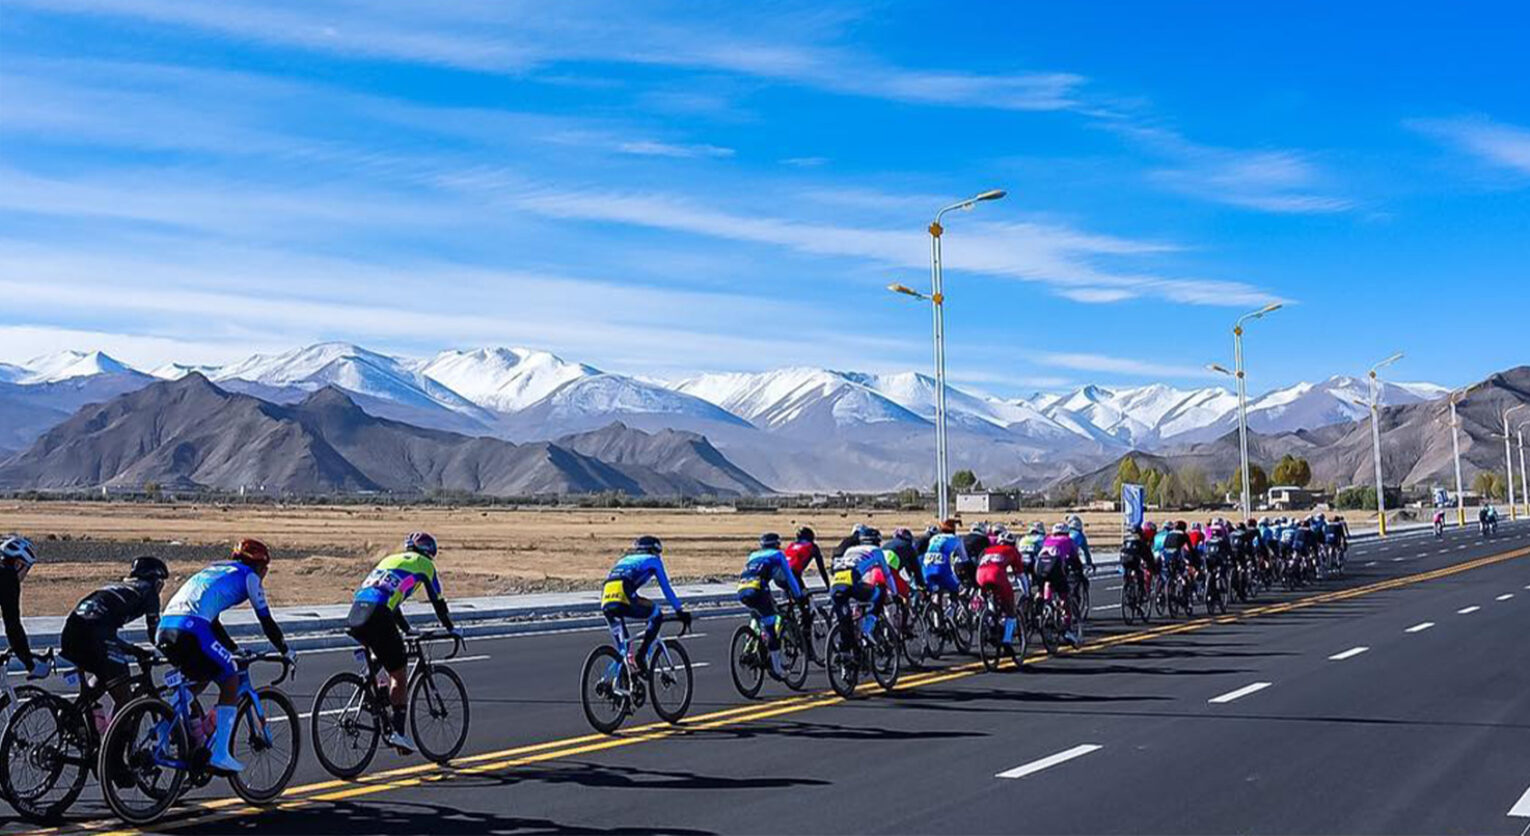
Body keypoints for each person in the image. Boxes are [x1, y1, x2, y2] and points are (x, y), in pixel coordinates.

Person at [157, 539, 291, 773]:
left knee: (202, 676)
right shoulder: (249, 576)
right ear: (261, 566)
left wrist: (232, 648)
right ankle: (220, 754)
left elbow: (213, 621)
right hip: (192, 628)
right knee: (230, 677)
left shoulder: (216, 569)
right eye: (266, 568)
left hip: (166, 627)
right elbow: (266, 620)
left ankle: (166, 721)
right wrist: (285, 650)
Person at [347, 532, 458, 753]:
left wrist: (407, 629)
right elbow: (437, 600)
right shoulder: (425, 565)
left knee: (381, 655)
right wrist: (451, 628)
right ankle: (397, 733)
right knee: (398, 673)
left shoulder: (390, 560)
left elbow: (392, 602)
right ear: (429, 552)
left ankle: (372, 692)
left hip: (356, 613)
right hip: (378, 614)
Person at [60, 556, 167, 734]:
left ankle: (75, 714)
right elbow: (154, 632)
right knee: (124, 696)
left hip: (72, 632)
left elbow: (104, 629)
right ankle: (113, 746)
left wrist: (132, 649)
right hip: (95, 633)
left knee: (106, 674)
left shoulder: (121, 587)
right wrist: (171, 653)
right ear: (156, 580)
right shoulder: (148, 591)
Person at [601, 536, 691, 678]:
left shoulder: (624, 559)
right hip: (624, 593)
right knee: (656, 613)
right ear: (654, 551)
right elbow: (666, 588)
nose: (659, 556)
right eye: (658, 553)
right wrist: (679, 610)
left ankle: (621, 680)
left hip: (606, 598)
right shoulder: (653, 560)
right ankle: (641, 656)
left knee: (624, 649)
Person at [737, 533, 806, 680]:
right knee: (771, 628)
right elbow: (789, 577)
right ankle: (777, 669)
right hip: (759, 590)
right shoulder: (778, 555)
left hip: (742, 589)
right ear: (776, 544)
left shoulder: (753, 555)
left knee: (757, 614)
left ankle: (750, 645)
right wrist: (798, 596)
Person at [829, 528, 898, 644]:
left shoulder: (850, 550)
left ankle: (849, 646)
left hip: (835, 583)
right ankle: (867, 628)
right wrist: (894, 593)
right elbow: (887, 574)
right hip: (852, 582)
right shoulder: (876, 551)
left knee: (846, 621)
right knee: (880, 592)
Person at [0, 535, 48, 680]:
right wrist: (30, 664)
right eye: (27, 569)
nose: (25, 576)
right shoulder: (7, 577)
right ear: (18, 564)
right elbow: (13, 625)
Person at [976, 532, 1027, 649]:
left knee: (990, 600)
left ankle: (990, 622)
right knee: (1011, 610)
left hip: (980, 575)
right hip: (996, 575)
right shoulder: (1012, 550)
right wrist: (1026, 592)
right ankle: (1007, 640)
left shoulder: (988, 550)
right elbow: (1020, 575)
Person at [1037, 524, 1081, 646]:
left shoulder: (1047, 539)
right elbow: (1075, 558)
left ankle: (1045, 603)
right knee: (1064, 595)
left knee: (1047, 582)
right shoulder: (1068, 540)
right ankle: (1067, 628)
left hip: (1039, 566)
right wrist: (1079, 570)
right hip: (1055, 568)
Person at [921, 519, 968, 599]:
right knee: (956, 589)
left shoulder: (934, 538)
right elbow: (964, 558)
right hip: (942, 569)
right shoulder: (956, 539)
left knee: (931, 590)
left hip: (926, 568)